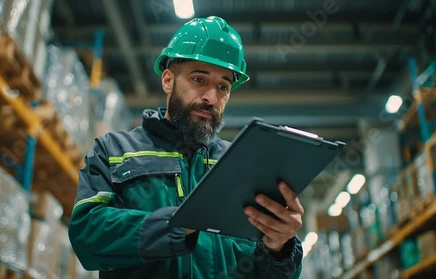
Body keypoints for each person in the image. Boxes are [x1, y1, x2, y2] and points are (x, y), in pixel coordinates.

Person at [69, 16, 304, 278]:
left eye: (223, 86)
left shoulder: (244, 166)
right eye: (199, 80)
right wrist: (179, 225)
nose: (211, 97)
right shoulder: (113, 152)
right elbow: (86, 234)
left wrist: (280, 248)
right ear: (168, 80)